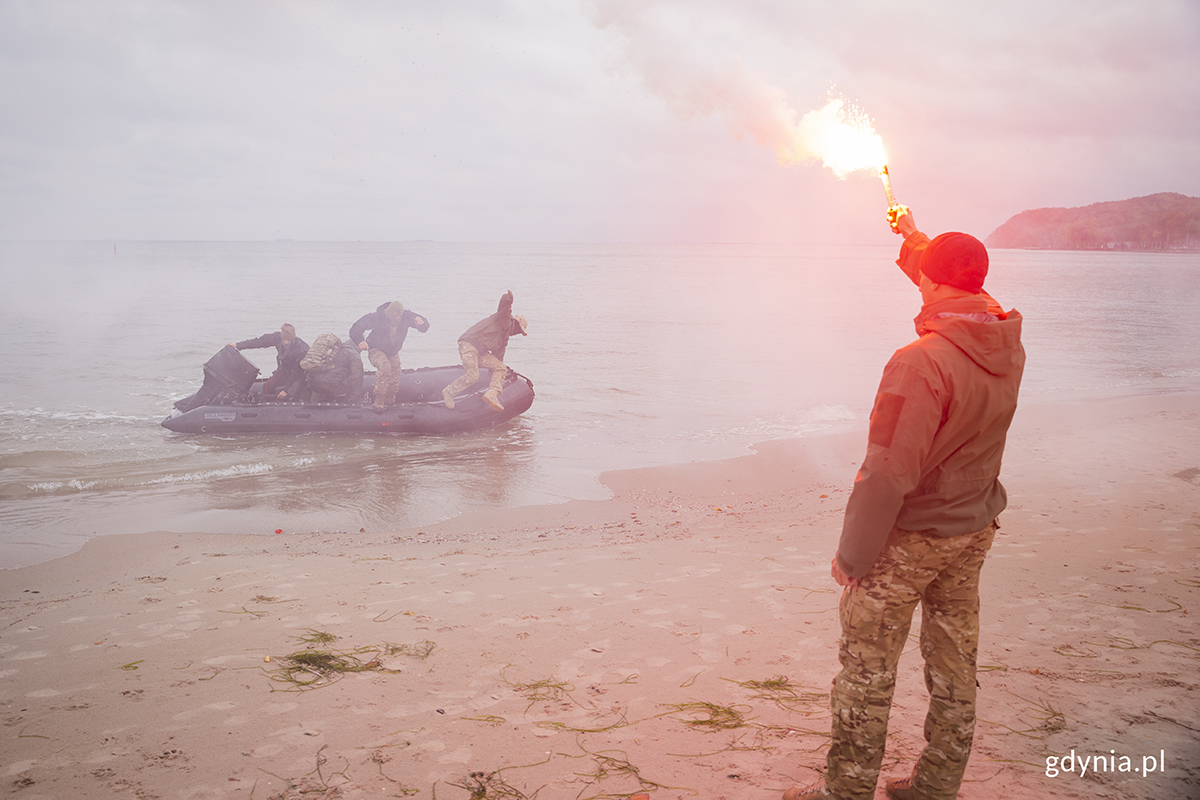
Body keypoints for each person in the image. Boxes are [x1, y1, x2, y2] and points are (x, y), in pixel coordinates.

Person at [786, 206, 1025, 800]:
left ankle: (843, 793)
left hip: (913, 538)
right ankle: (936, 786)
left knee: (866, 673)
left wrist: (854, 556)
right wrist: (912, 237)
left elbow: (888, 474)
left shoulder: (919, 362)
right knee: (953, 664)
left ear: (933, 281)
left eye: (925, 270)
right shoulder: (1004, 339)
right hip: (973, 529)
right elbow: (956, 286)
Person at [441, 290, 527, 412]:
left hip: (480, 351)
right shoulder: (505, 320)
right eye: (519, 331)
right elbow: (504, 309)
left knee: (501, 368)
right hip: (469, 344)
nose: (517, 334)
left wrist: (498, 378)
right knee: (473, 376)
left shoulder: (504, 338)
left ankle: (492, 393)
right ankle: (448, 392)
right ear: (517, 325)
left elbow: (498, 358)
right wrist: (507, 299)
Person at [349, 301, 430, 409]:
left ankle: (390, 401)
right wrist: (360, 341)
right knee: (385, 367)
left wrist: (422, 323)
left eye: (399, 316)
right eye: (395, 316)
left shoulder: (406, 316)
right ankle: (379, 400)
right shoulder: (377, 317)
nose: (397, 318)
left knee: (395, 373)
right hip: (375, 349)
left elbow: (424, 326)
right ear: (389, 313)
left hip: (392, 352)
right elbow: (356, 327)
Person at [229, 323, 309, 401]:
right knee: (269, 385)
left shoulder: (301, 349)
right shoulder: (277, 338)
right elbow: (259, 342)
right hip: (284, 370)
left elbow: (297, 373)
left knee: (292, 392)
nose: (286, 342)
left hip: (299, 375)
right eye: (284, 339)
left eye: (289, 340)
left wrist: (285, 390)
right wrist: (238, 345)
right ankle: (266, 403)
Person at [300, 333, 364, 404]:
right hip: (333, 386)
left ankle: (314, 402)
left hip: (314, 384)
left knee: (322, 382)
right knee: (352, 382)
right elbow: (357, 377)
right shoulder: (354, 355)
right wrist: (354, 400)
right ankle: (346, 402)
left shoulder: (332, 350)